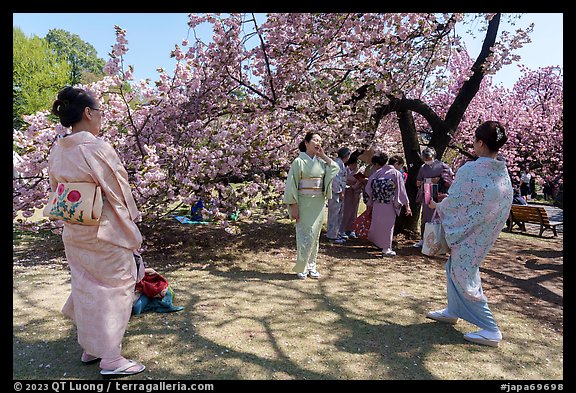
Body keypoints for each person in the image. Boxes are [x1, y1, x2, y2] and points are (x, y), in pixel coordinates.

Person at [48, 86, 146, 376]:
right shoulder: (95, 147)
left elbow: (57, 188)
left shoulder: (59, 149)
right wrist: (132, 223)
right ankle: (111, 358)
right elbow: (118, 191)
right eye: (99, 112)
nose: (101, 118)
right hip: (104, 229)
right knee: (115, 289)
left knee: (86, 286)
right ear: (88, 113)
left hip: (75, 227)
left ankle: (92, 347)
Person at [425, 120, 513, 347]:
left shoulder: (470, 169)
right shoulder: (502, 172)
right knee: (454, 268)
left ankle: (491, 328)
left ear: (481, 143)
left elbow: (456, 201)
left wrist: (439, 206)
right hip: (483, 231)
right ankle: (453, 310)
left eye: (475, 141)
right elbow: (493, 203)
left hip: (467, 232)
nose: (473, 145)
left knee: (465, 275)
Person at [283, 132, 340, 279]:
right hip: (303, 202)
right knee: (304, 235)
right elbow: (291, 185)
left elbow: (335, 168)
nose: (318, 142)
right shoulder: (298, 162)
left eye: (320, 140)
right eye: (315, 139)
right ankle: (301, 266)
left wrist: (323, 156)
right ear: (306, 143)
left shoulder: (321, 162)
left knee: (315, 236)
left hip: (319, 202)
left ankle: (312, 266)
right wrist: (294, 205)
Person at [364, 153, 412, 256]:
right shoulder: (396, 173)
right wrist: (407, 206)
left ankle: (378, 243)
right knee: (388, 226)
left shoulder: (378, 172)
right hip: (388, 203)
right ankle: (386, 248)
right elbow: (402, 191)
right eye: (400, 166)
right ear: (396, 163)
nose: (400, 168)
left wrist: (370, 203)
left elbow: (369, 187)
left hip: (377, 203)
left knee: (378, 224)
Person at [413, 147, 454, 248]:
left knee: (439, 216)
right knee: (426, 216)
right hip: (427, 193)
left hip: (439, 194)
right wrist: (428, 181)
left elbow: (449, 180)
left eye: (428, 158)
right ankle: (424, 238)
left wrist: (439, 180)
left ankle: (440, 239)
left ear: (433, 156)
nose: (427, 161)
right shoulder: (423, 168)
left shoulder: (442, 166)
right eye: (425, 159)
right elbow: (418, 182)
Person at [326, 147, 351, 243]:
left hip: (339, 191)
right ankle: (332, 236)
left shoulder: (340, 163)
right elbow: (335, 180)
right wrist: (340, 191)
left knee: (338, 213)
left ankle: (336, 233)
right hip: (336, 193)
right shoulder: (337, 164)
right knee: (334, 214)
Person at [340, 154, 365, 238]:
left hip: (355, 193)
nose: (354, 166)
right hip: (347, 192)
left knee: (354, 211)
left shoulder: (360, 171)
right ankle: (343, 229)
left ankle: (351, 229)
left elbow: (359, 182)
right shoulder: (345, 170)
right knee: (346, 211)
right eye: (352, 164)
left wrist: (354, 186)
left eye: (355, 164)